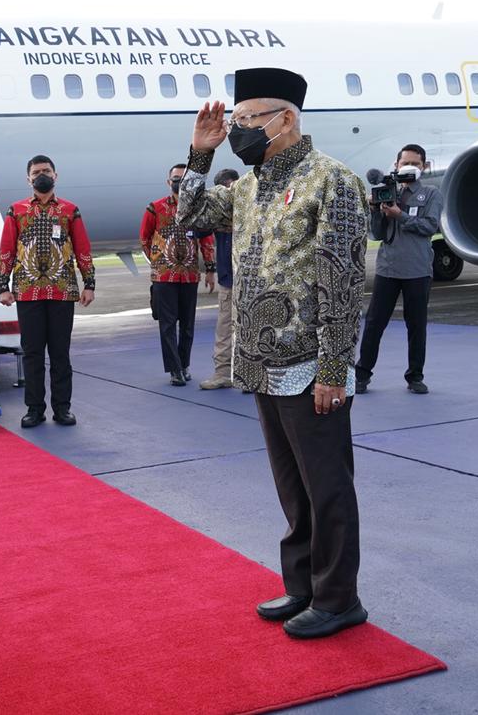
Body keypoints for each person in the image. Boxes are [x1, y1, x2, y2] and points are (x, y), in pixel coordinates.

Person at [177, 67, 369, 640]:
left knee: (327, 485)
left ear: (285, 119)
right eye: (233, 123)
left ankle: (339, 599)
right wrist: (199, 155)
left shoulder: (331, 181)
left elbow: (342, 280)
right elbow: (188, 217)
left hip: (312, 365)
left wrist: (335, 368)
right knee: (292, 485)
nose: (236, 130)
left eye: (244, 121)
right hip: (261, 362)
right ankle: (304, 585)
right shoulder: (248, 186)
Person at [0, 155, 95, 429]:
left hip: (62, 292)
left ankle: (62, 408)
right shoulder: (16, 211)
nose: (42, 175)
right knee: (32, 353)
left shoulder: (69, 210)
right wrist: (3, 286)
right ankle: (34, 409)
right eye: (37, 172)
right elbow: (6, 249)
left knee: (61, 353)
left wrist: (89, 284)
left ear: (56, 175)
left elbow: (82, 249)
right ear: (28, 178)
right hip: (27, 293)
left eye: (47, 171)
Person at [355, 144, 441, 395]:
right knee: (373, 323)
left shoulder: (430, 194)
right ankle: (362, 373)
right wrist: (375, 210)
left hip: (417, 268)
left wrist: (400, 215)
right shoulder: (387, 191)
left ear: (424, 167)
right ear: (396, 165)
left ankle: (415, 376)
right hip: (388, 268)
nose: (409, 167)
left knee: (416, 325)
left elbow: (430, 227)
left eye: (415, 163)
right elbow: (378, 233)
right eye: (405, 163)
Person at [141, 164, 216, 386]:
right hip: (164, 278)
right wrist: (160, 262)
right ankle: (174, 370)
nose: (178, 182)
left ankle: (184, 364)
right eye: (175, 178)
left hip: (190, 277)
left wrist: (210, 269)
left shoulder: (197, 209)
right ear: (168, 182)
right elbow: (145, 239)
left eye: (182, 178)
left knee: (188, 325)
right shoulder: (155, 208)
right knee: (167, 325)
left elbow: (206, 241)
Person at [199, 168, 240, 390]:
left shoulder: (249, 206)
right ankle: (223, 373)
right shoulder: (217, 211)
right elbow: (197, 229)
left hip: (248, 277)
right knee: (224, 327)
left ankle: (246, 374)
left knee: (246, 328)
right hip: (228, 278)